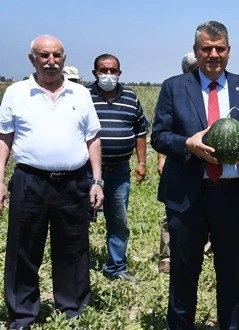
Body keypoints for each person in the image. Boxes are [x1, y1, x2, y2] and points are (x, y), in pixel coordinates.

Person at [151, 21, 239, 329]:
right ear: (196, 51)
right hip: (187, 196)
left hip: (232, 194)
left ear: (229, 51)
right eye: (206, 48)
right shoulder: (174, 86)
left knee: (232, 274)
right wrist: (188, 144)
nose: (213, 54)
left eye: (220, 49)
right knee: (183, 274)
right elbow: (159, 136)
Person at [0, 34, 103, 329]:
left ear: (64, 58)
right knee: (23, 247)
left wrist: (97, 181)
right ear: (32, 59)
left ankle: (72, 310)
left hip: (73, 183)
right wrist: (0, 181)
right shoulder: (16, 93)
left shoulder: (80, 94)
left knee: (73, 247)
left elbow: (93, 138)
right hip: (30, 180)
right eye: (44, 56)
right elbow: (4, 139)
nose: (51, 61)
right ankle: (22, 314)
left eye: (57, 55)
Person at [87, 53, 148, 283]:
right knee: (80, 218)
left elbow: (140, 131)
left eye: (113, 71)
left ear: (120, 73)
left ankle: (116, 267)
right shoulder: (84, 96)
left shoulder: (130, 97)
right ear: (95, 73)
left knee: (118, 220)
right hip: (86, 171)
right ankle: (77, 266)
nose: (109, 75)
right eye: (104, 70)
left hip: (119, 171)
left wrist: (141, 162)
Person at [157, 51, 200, 274]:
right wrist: (161, 158)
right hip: (178, 164)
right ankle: (167, 255)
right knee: (173, 213)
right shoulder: (174, 90)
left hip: (203, 167)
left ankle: (200, 249)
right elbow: (162, 133)